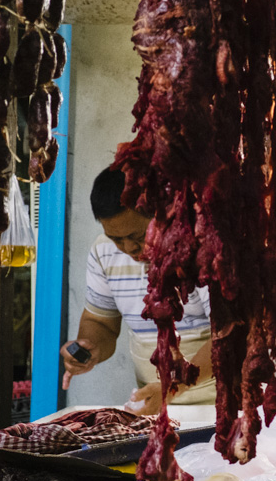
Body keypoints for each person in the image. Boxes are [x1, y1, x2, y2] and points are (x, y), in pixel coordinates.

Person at [60, 167, 216, 415]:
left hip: (224, 405)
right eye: (117, 239)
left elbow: (230, 336)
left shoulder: (203, 247)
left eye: (139, 235)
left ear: (165, 213)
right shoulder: (104, 252)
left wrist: (174, 388)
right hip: (154, 405)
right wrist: (89, 347)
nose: (129, 248)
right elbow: (101, 322)